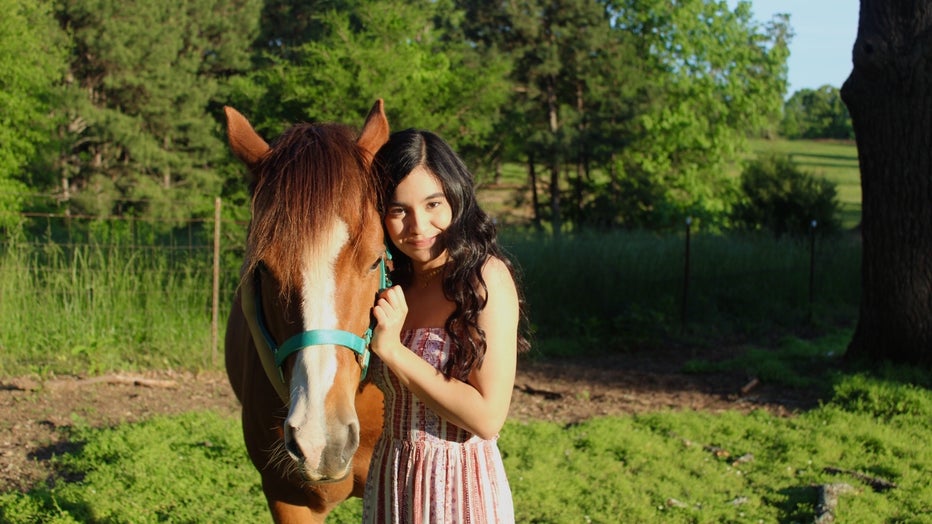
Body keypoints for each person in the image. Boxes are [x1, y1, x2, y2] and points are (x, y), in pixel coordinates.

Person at [362, 129, 530, 523]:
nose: (418, 226)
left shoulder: (485, 280)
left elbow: (488, 418)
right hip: (391, 482)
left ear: (457, 196)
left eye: (433, 203)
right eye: (398, 210)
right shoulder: (389, 284)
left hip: (457, 491)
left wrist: (393, 351)